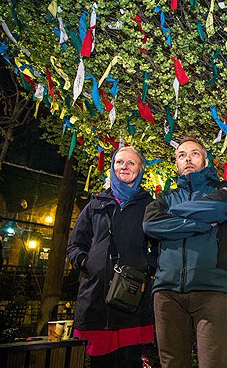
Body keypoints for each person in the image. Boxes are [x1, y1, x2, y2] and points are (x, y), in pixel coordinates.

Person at [142, 137, 227, 368]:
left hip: (211, 290)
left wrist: (174, 215)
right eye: (181, 155)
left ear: (205, 160)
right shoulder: (164, 198)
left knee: (214, 363)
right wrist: (201, 224)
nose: (188, 159)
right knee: (172, 362)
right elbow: (150, 225)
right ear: (176, 164)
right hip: (167, 292)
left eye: (194, 153)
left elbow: (221, 208)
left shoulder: (223, 190)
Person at [67, 147, 156, 368]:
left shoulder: (149, 206)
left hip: (132, 296)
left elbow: (161, 246)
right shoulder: (95, 204)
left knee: (129, 360)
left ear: (140, 169)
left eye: (131, 163)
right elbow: (75, 244)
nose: (124, 167)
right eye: (119, 162)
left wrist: (147, 268)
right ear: (112, 167)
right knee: (99, 361)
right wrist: (88, 263)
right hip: (97, 296)